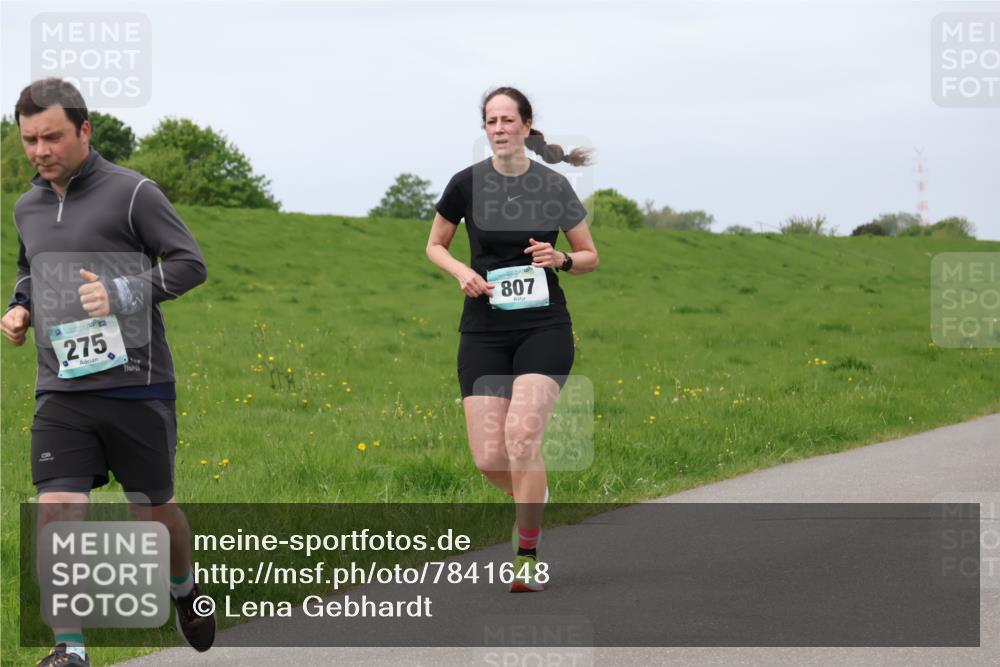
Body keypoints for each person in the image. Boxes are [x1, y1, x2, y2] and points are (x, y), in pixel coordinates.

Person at [0, 78, 214, 666]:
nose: (40, 151)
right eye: (29, 140)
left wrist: (122, 291)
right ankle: (70, 648)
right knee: (56, 509)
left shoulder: (133, 193)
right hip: (61, 387)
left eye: (52, 137)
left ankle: (183, 589)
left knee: (153, 509)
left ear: (84, 130)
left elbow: (190, 264)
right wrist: (20, 307)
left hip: (136, 385)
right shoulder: (26, 205)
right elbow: (29, 267)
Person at [426, 86, 599, 592]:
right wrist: (461, 271)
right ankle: (534, 499)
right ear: (485, 130)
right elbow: (435, 245)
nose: (499, 128)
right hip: (483, 328)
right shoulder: (466, 184)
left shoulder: (552, 186)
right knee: (488, 458)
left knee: (522, 440)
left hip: (543, 326)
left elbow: (589, 255)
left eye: (507, 120)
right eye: (491, 121)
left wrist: (560, 259)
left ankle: (527, 557)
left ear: (527, 126)